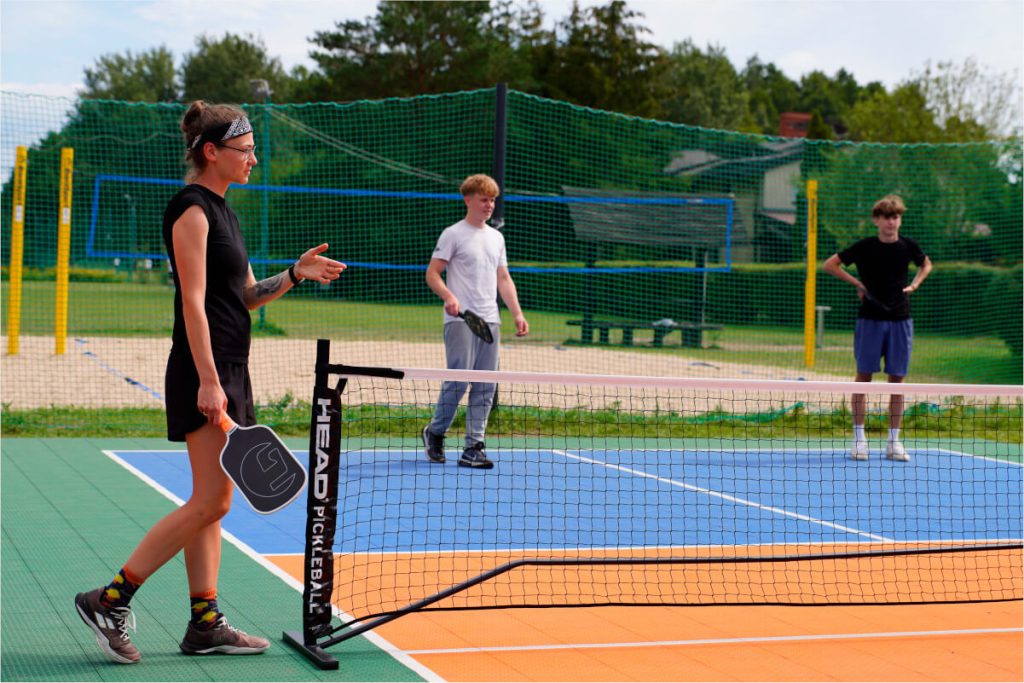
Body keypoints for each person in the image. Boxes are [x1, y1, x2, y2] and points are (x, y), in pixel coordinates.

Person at [74, 101, 346, 664]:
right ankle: (110, 598)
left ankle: (204, 623)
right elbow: (192, 304)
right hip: (206, 371)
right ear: (211, 152)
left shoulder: (226, 213)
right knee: (214, 499)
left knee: (210, 501)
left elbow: (246, 296)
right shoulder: (191, 210)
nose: (254, 160)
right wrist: (208, 379)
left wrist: (295, 273)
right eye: (245, 151)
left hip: (229, 369)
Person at [421, 174, 528, 469]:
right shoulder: (453, 234)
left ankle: (474, 447)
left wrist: (517, 313)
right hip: (460, 320)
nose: (490, 205)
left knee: (486, 385)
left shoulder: (496, 238)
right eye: (484, 199)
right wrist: (448, 296)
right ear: (468, 200)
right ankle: (435, 432)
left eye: (493, 200)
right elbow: (432, 273)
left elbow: (503, 278)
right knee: (458, 380)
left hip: (491, 320)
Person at [823, 194, 932, 462]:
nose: (891, 222)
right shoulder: (865, 247)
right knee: (864, 378)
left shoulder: (908, 246)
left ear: (899, 220)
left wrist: (915, 285)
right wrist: (858, 284)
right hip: (869, 320)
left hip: (900, 321)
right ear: (876, 220)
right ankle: (859, 440)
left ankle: (894, 443)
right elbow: (829, 264)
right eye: (886, 217)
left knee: (897, 381)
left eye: (895, 217)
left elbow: (926, 264)